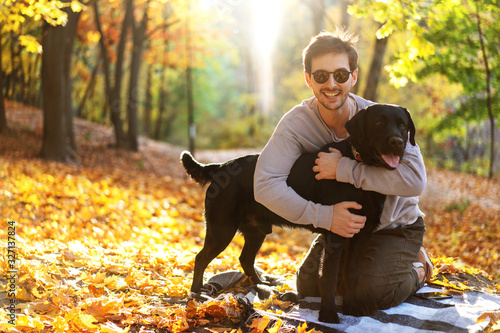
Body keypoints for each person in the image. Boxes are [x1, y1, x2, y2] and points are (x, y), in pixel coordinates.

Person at [253, 27, 433, 314]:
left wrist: (344, 169)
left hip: (395, 227)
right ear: (308, 78)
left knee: (366, 295)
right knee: (309, 286)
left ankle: (417, 266)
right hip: (344, 225)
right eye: (321, 76)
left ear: (354, 76)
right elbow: (265, 184)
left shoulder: (384, 119)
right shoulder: (296, 124)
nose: (331, 84)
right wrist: (324, 216)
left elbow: (415, 181)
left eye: (340, 74)